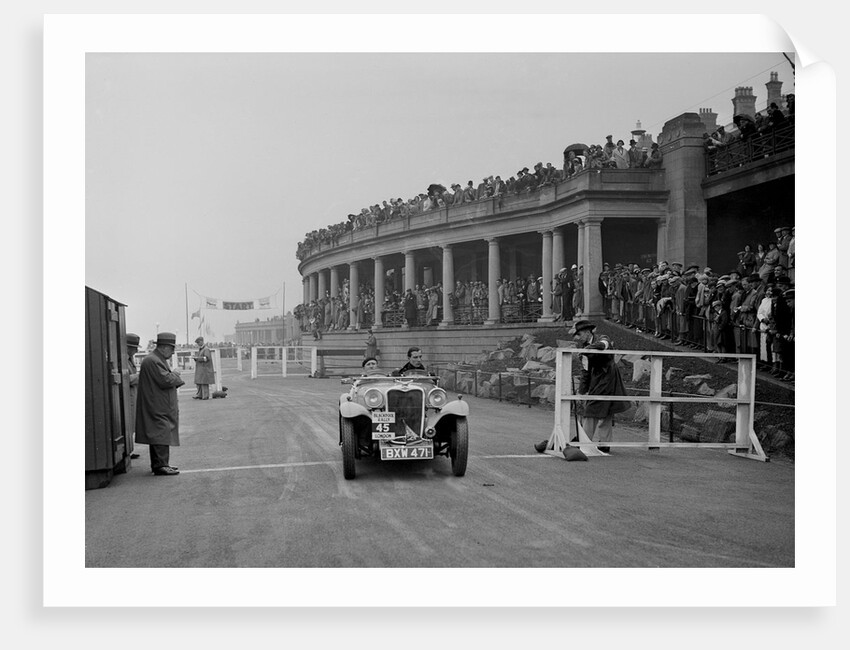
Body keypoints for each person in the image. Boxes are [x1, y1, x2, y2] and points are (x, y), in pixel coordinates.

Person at [570, 320, 629, 454]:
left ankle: (584, 441)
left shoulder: (602, 338)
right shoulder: (584, 348)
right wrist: (582, 392)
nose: (579, 338)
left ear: (586, 332)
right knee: (605, 409)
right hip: (597, 378)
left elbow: (604, 345)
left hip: (608, 375)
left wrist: (587, 349)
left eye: (579, 334)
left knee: (593, 408)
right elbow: (585, 371)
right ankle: (604, 443)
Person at [135, 332, 185, 476]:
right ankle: (160, 465)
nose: (173, 352)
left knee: (160, 433)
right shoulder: (153, 361)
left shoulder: (154, 359)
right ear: (164, 347)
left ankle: (161, 464)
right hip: (157, 404)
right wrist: (176, 374)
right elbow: (166, 380)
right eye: (172, 348)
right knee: (161, 433)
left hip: (157, 403)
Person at [126, 333, 142, 459]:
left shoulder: (129, 359)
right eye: (133, 348)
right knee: (128, 424)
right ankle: (127, 450)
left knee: (131, 423)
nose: (136, 350)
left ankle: (129, 449)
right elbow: (127, 379)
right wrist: (140, 376)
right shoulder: (123, 360)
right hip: (128, 395)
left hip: (132, 394)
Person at [192, 336, 215, 400]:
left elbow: (206, 358)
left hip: (204, 369)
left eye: (198, 342)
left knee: (204, 383)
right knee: (199, 382)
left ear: (202, 341)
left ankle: (205, 396)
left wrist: (197, 358)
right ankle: (199, 395)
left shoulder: (206, 349)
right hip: (201, 369)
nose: (198, 344)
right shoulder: (201, 349)